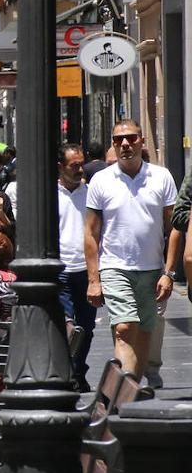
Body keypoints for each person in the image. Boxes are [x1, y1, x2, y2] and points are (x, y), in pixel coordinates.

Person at [84, 120, 177, 380]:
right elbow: (91, 233)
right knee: (124, 328)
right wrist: (94, 279)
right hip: (114, 267)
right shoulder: (101, 180)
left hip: (151, 269)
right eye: (118, 140)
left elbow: (174, 229)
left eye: (131, 138)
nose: (125, 144)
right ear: (113, 144)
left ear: (141, 140)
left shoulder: (161, 177)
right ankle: (125, 388)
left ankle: (130, 387)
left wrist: (168, 273)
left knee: (145, 329)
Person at [56, 143, 96, 392]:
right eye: (74, 166)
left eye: (82, 164)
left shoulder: (91, 194)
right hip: (61, 270)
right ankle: (70, 372)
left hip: (87, 270)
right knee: (69, 326)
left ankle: (78, 370)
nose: (80, 169)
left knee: (87, 327)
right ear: (60, 166)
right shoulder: (48, 196)